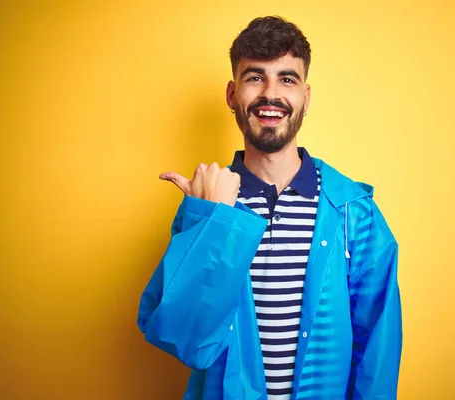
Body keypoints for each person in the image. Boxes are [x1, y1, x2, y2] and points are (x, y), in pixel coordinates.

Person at [137, 16, 402, 400]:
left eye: (287, 79)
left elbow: (377, 356)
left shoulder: (353, 214)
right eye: (255, 77)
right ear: (232, 94)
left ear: (305, 97)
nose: (270, 94)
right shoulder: (209, 204)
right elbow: (189, 343)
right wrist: (214, 221)